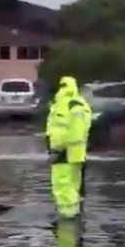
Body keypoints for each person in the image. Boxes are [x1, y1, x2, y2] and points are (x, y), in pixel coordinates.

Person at [44, 76, 92, 219]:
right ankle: (74, 214)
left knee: (63, 185)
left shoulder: (68, 104)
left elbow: (72, 131)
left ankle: (68, 216)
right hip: (74, 153)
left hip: (65, 152)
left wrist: (58, 149)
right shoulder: (77, 103)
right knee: (72, 185)